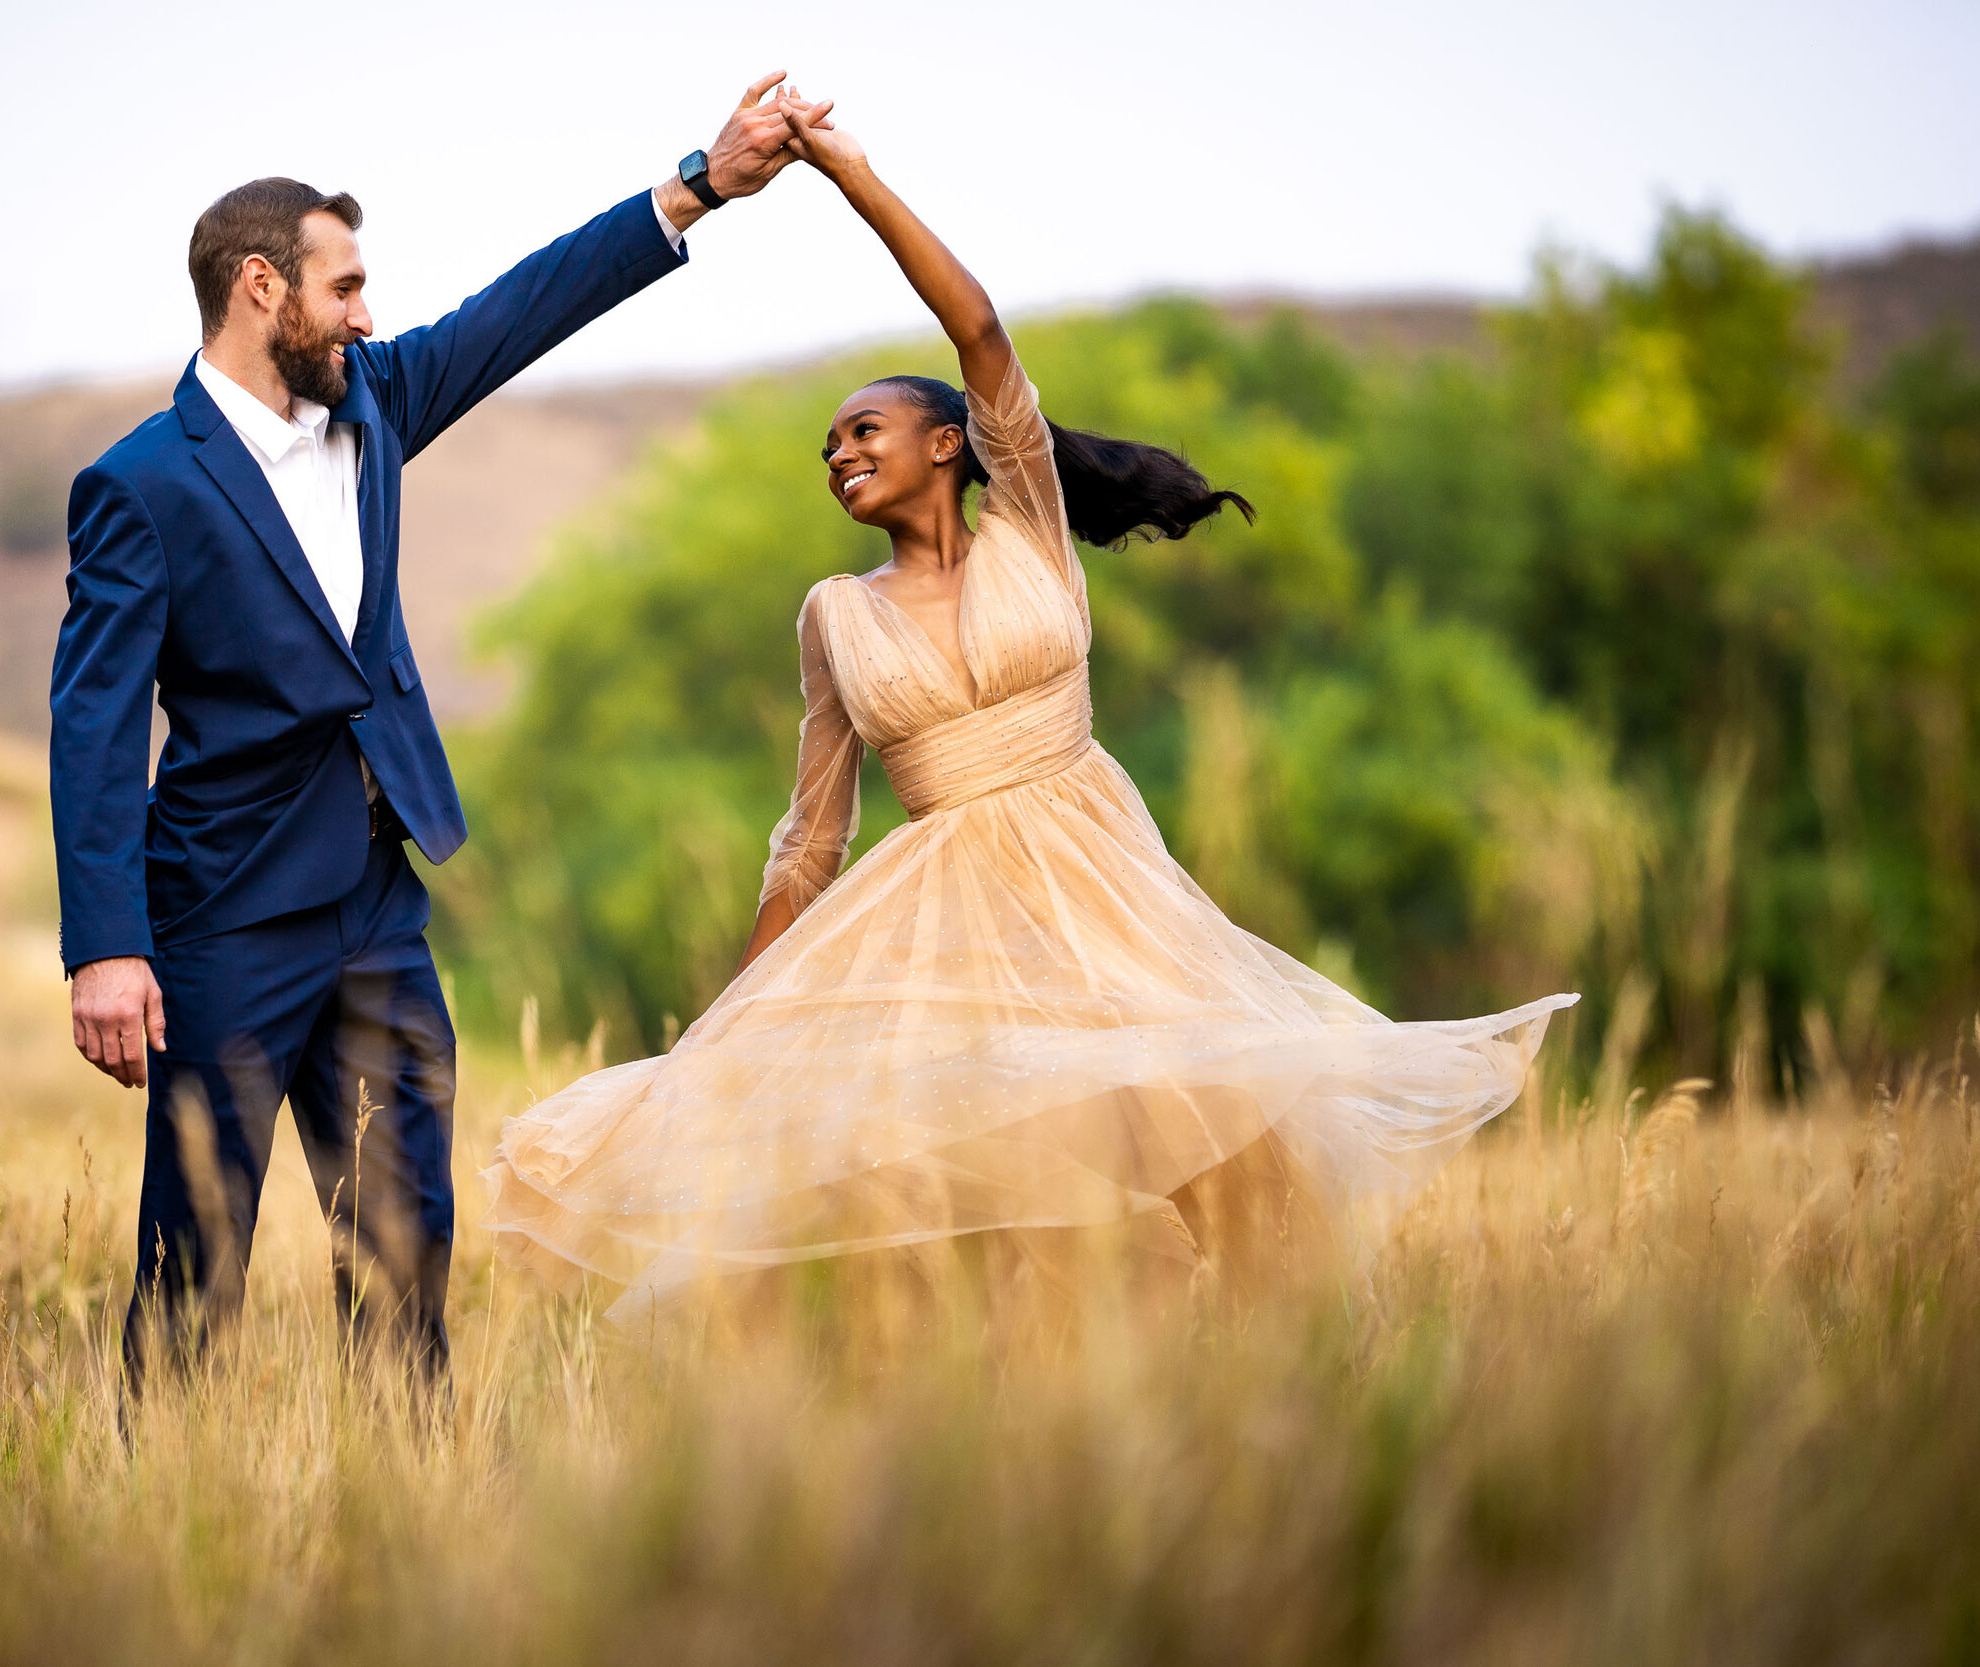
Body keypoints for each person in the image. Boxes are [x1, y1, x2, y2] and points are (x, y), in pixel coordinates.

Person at [481, 99, 1578, 1312]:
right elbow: (810, 841)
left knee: (1219, 1162)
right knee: (991, 1207)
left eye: (864, 429)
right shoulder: (834, 615)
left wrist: (852, 176)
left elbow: (978, 326)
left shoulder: (1033, 530)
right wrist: (720, 1039)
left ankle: (1275, 1396)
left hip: (1097, 890)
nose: (840, 454)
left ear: (950, 443)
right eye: (827, 447)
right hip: (941, 927)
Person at [50, 74, 825, 1388]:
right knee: (198, 1263)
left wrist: (701, 181)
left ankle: (405, 1502)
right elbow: (94, 723)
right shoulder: (140, 485)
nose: (368, 311)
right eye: (342, 287)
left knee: (409, 1245)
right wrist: (108, 947)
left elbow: (526, 305)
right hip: (225, 916)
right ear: (259, 289)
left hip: (376, 906)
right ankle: (153, 1510)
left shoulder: (377, 398)